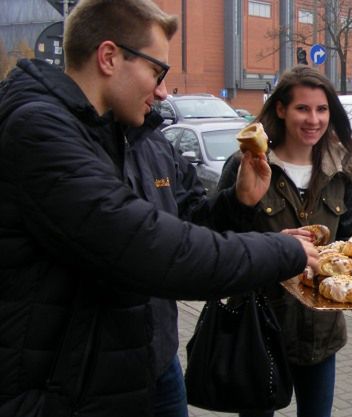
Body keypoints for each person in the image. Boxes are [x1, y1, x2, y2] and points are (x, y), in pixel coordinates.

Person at [0, 1, 319, 417]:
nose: (165, 90)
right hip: (68, 386)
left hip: (151, 362)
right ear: (109, 57)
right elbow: (151, 248)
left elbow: (189, 222)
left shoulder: (145, 139)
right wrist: (281, 253)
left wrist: (237, 202)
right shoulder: (38, 132)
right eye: (157, 71)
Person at [218, 65, 352, 417]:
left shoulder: (342, 172)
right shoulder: (247, 164)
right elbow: (220, 241)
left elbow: (350, 245)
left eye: (322, 109)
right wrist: (274, 248)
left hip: (320, 334)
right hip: (258, 328)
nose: (313, 119)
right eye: (303, 108)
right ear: (281, 109)